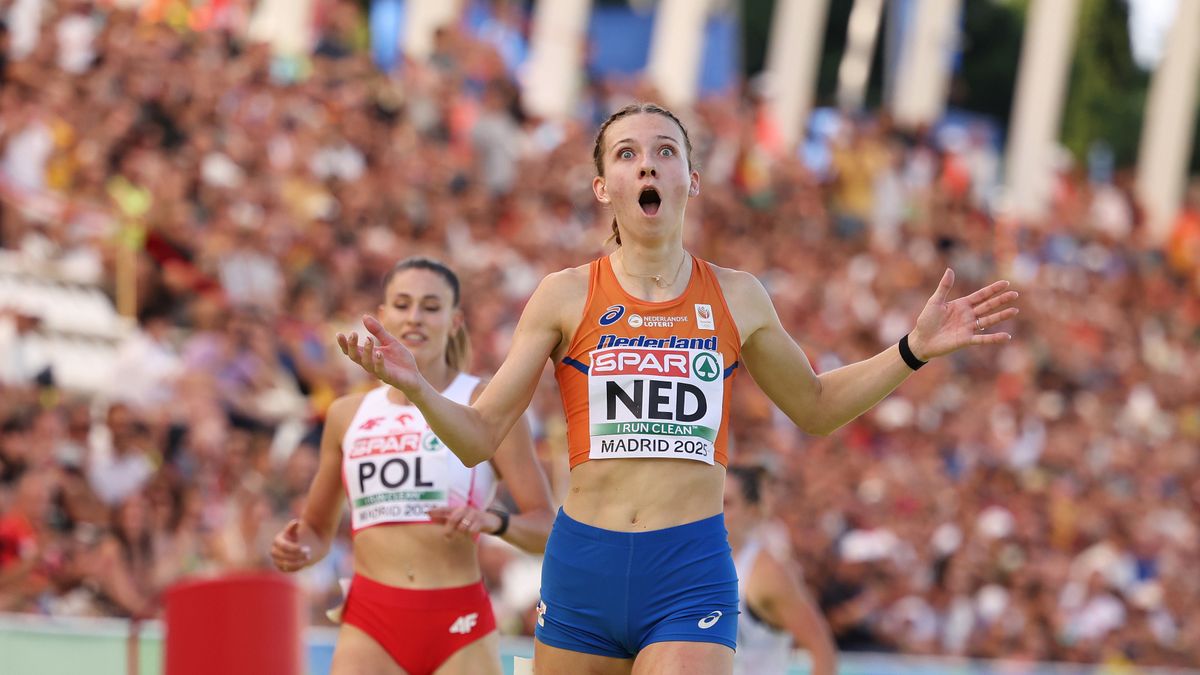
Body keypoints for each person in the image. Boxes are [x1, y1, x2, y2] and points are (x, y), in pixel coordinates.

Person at [337, 102, 1018, 675]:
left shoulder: (738, 296)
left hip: (687, 565)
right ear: (604, 184)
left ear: (690, 178)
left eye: (665, 152)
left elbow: (814, 407)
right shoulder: (563, 295)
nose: (648, 164)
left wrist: (911, 350)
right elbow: (480, 433)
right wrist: (421, 389)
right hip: (584, 565)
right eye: (628, 154)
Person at [272, 257, 555, 675]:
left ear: (455, 321)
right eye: (402, 305)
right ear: (383, 315)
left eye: (431, 306)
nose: (415, 317)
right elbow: (316, 530)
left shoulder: (483, 404)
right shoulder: (347, 414)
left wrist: (491, 521)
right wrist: (298, 549)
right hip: (370, 622)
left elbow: (546, 526)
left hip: (458, 621)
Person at [724, 465, 837, 675]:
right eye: (711, 501)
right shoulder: (688, 564)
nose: (715, 511)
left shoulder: (766, 573)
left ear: (752, 510)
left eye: (726, 503)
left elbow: (822, 649)